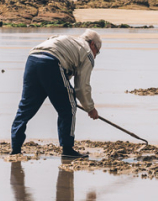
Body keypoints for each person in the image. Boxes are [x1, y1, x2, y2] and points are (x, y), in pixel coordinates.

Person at [11, 30, 102, 160]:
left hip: (32, 59)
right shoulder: (87, 53)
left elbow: (64, 77)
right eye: (97, 52)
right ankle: (67, 149)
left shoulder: (68, 40)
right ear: (92, 44)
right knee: (69, 106)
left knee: (26, 107)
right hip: (51, 62)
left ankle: (15, 148)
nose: (95, 55)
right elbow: (82, 87)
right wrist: (90, 108)